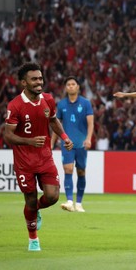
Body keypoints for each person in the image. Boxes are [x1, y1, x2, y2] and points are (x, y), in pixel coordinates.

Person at [3, 62, 74, 251]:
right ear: (23, 83)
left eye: (40, 78)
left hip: (44, 158)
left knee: (52, 196)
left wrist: (64, 137)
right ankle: (33, 239)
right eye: (34, 79)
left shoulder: (48, 100)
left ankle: (34, 212)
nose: (39, 82)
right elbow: (7, 135)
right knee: (31, 200)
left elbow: (53, 120)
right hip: (24, 162)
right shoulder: (15, 105)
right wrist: (29, 141)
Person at [51, 76, 94, 213]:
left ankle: (79, 203)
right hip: (67, 144)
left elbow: (90, 123)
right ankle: (69, 201)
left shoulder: (86, 103)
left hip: (81, 144)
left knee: (81, 171)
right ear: (66, 87)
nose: (70, 86)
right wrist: (51, 143)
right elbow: (56, 125)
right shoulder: (61, 104)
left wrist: (88, 139)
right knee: (68, 169)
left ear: (78, 87)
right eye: (68, 84)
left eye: (73, 84)